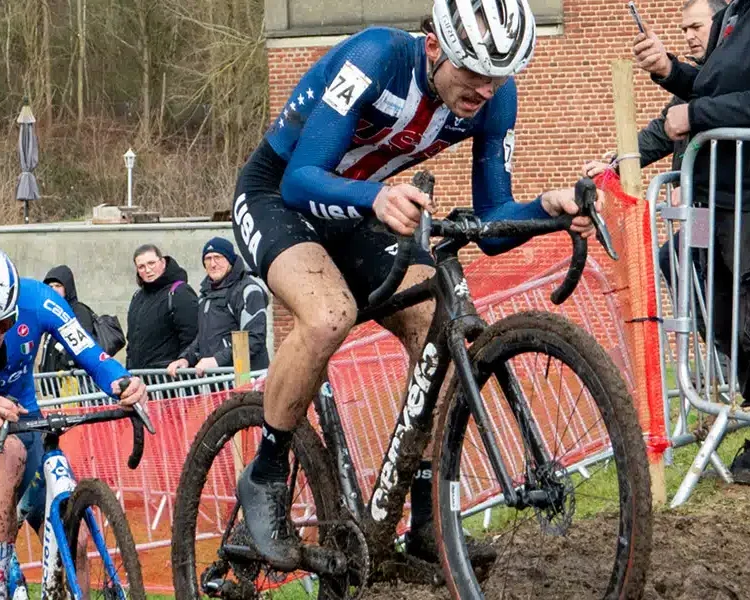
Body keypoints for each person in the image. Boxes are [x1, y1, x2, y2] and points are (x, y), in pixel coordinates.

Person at [229, 0, 601, 570]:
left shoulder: (495, 98)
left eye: (499, 76)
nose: (485, 89)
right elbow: (301, 181)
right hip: (277, 196)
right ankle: (265, 473)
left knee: (437, 327)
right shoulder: (375, 57)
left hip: (356, 208)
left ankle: (428, 520)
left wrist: (544, 208)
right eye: (472, 72)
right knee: (329, 315)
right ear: (434, 46)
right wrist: (377, 197)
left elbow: (493, 223)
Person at [0, 238, 148, 600]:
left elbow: (91, 354)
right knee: (8, 453)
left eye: (4, 322)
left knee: (76, 540)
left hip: (25, 419)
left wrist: (121, 382)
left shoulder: (38, 299)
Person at [633, 0, 750, 400]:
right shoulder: (734, 14)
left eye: (694, 27)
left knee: (745, 319)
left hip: (743, 202)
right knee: (717, 306)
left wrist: (697, 115)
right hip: (710, 204)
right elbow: (707, 90)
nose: (690, 36)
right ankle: (727, 370)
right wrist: (668, 69)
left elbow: (704, 107)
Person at [584, 0, 726, 300]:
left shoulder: (730, 76)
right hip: (703, 212)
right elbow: (660, 133)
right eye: (684, 30)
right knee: (682, 261)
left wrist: (697, 185)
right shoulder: (697, 79)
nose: (689, 36)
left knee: (709, 273)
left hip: (730, 209)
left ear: (722, 23)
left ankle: (718, 330)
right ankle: (711, 331)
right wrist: (615, 164)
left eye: (696, 27)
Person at [167, 237, 270, 377]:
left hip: (246, 380)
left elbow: (253, 338)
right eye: (208, 259)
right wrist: (185, 359)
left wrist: (217, 360)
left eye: (218, 257)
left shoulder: (248, 291)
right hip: (218, 380)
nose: (213, 264)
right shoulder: (205, 295)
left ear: (230, 260)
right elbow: (202, 338)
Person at [125, 245, 199, 369]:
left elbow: (192, 337)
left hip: (171, 374)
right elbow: (132, 339)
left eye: (151, 263)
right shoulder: (138, 296)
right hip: (140, 374)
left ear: (163, 262)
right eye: (141, 267)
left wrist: (184, 361)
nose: (148, 270)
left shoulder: (180, 292)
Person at [38, 265, 98, 373]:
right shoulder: (50, 313)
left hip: (72, 379)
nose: (54, 290)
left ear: (67, 288)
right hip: (52, 380)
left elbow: (84, 348)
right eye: (50, 286)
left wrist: (65, 362)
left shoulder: (78, 311)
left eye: (58, 286)